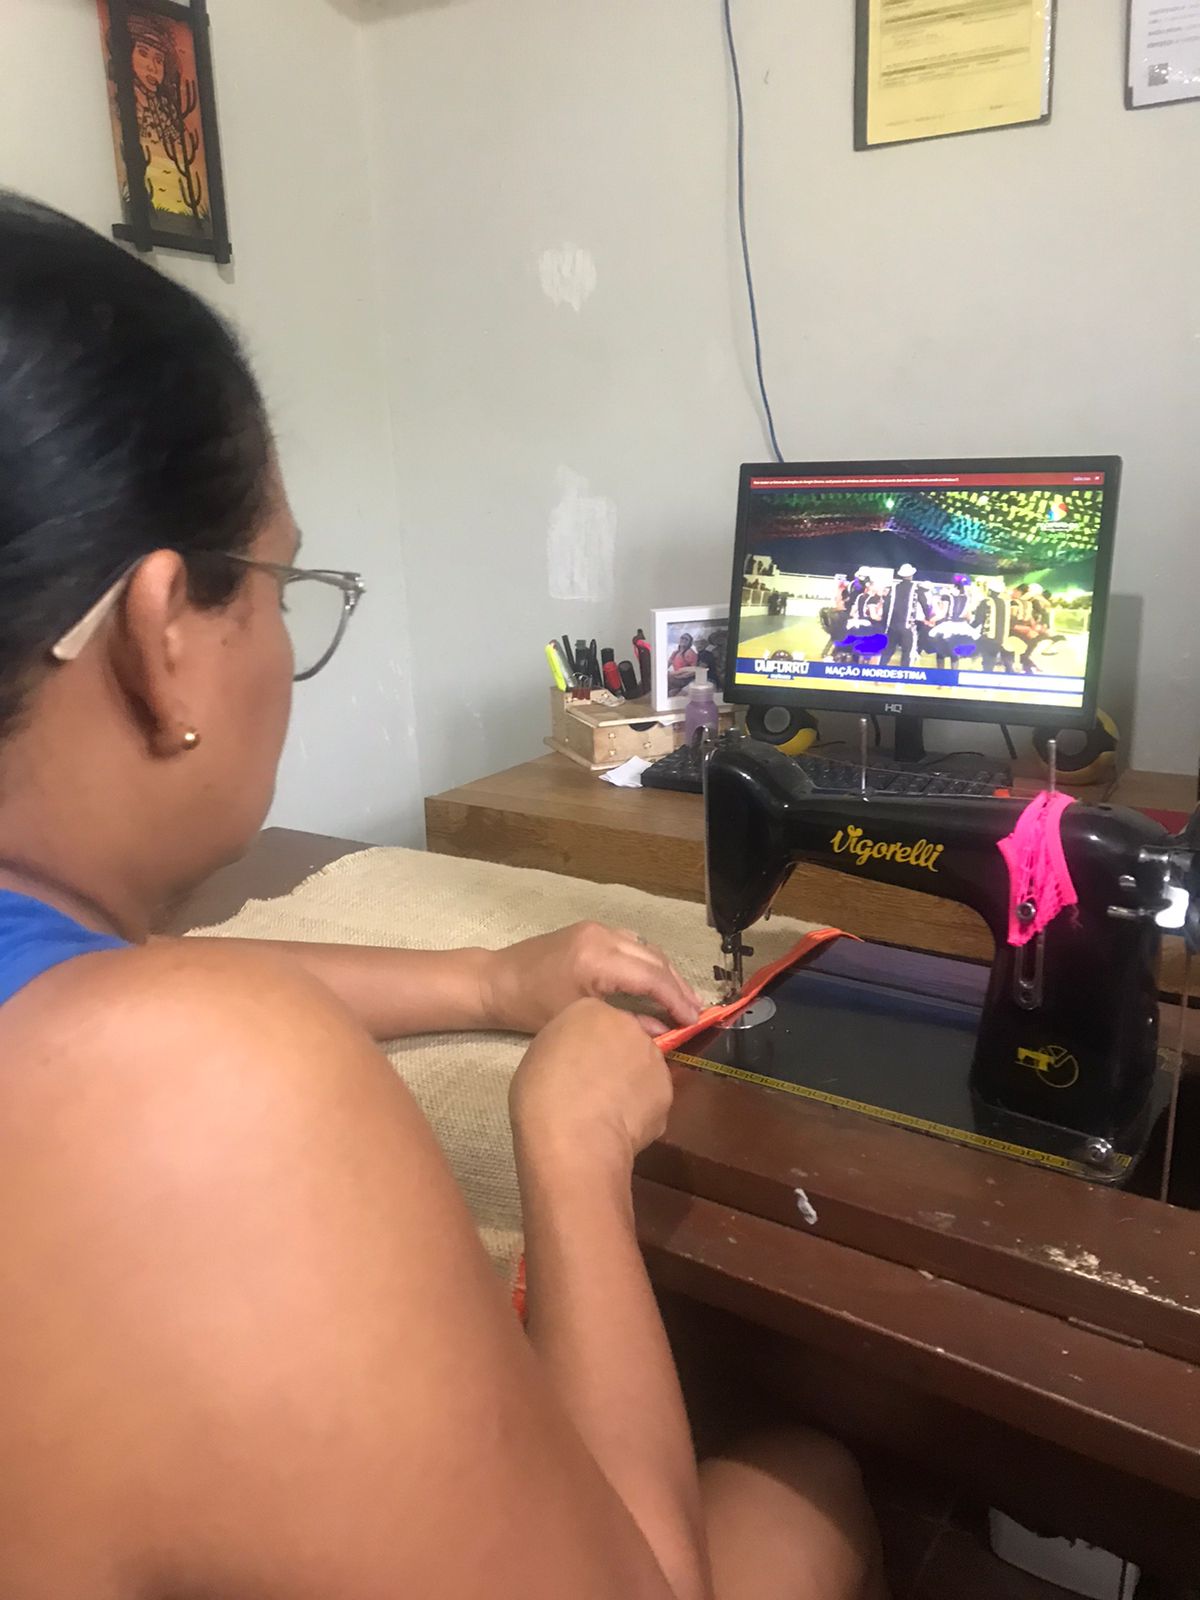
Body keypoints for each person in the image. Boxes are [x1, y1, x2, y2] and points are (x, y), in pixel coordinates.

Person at [0, 194, 886, 1600]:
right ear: (163, 638)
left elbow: (99, 990)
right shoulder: (200, 1090)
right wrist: (572, 1153)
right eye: (283, 584)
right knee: (803, 1482)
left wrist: (484, 981)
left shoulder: (89, 998)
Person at [879, 563, 932, 668]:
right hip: (907, 626)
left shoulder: (894, 588)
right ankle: (904, 674)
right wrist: (928, 617)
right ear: (911, 575)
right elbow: (925, 604)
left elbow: (886, 606)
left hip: (892, 626)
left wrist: (885, 623)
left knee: (888, 651)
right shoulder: (916, 588)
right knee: (907, 653)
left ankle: (880, 671)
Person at [974, 578, 1015, 673]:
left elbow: (978, 620)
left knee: (987, 661)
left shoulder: (986, 602)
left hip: (988, 637)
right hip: (1000, 638)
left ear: (989, 590)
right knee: (992, 660)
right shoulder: (1004, 603)